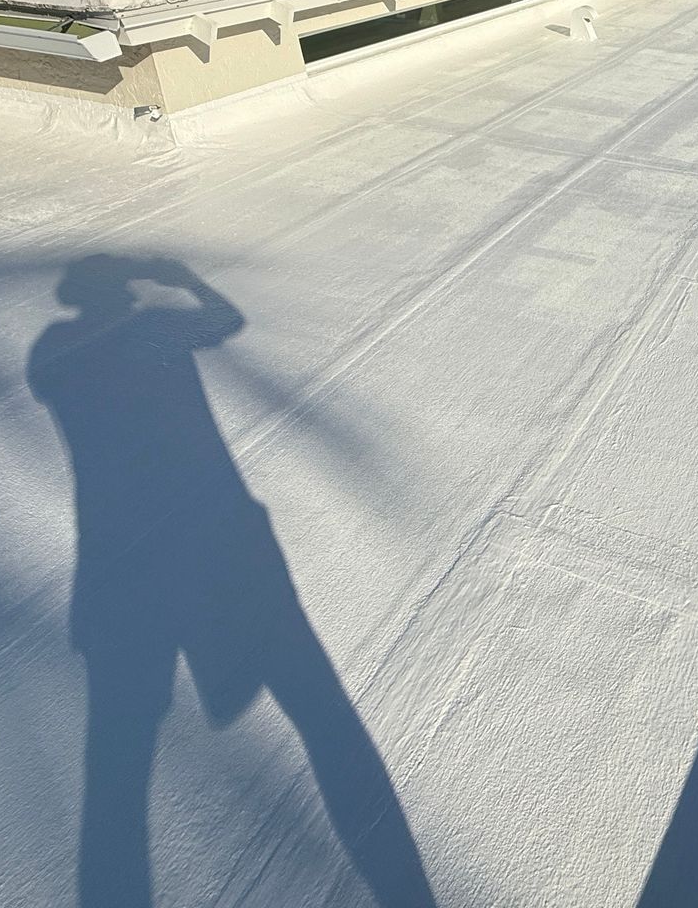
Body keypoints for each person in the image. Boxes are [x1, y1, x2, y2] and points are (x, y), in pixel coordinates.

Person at [29, 256, 432, 907]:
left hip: (122, 579)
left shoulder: (54, 353)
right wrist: (182, 278)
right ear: (119, 289)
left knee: (117, 772)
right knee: (324, 716)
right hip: (222, 556)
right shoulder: (153, 331)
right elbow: (229, 319)